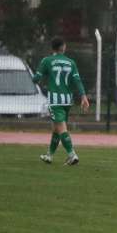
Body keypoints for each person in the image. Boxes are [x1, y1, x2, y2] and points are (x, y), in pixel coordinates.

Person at [33, 37, 90, 166]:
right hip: (67, 100)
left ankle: (72, 155)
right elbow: (77, 80)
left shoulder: (47, 61)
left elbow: (37, 78)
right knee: (56, 128)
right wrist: (83, 96)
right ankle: (49, 155)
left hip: (55, 100)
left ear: (52, 48)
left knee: (61, 128)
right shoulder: (71, 62)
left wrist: (35, 78)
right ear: (63, 47)